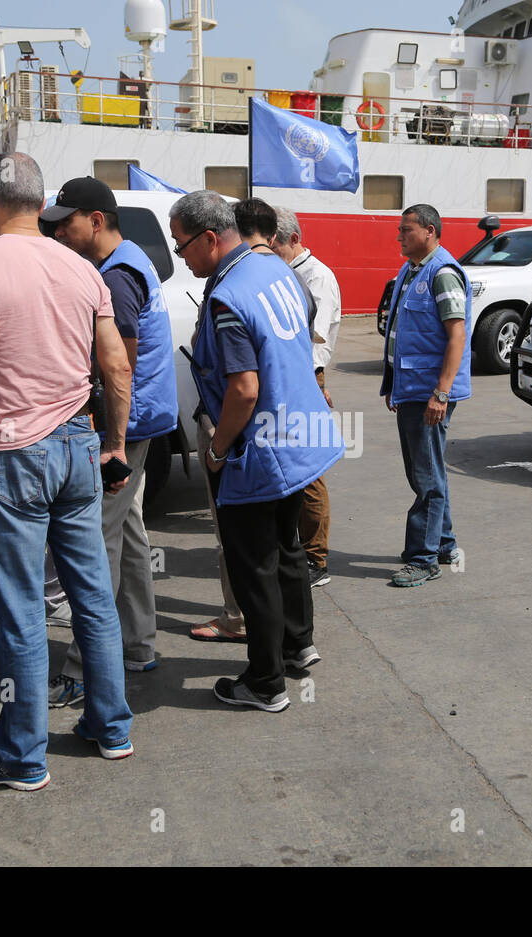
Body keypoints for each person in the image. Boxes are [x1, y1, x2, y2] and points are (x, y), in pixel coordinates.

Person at [0, 152, 135, 790]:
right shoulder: (82, 269)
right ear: (40, 200)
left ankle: (23, 757)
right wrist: (115, 443)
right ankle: (111, 728)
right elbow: (116, 365)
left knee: (21, 610)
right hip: (78, 446)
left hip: (11, 452)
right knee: (92, 595)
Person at [170, 190, 342, 712]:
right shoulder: (276, 271)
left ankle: (265, 683)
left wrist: (217, 449)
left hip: (259, 448)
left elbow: (243, 388)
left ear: (208, 238)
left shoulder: (228, 296)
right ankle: (296, 643)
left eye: (181, 248)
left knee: (253, 566)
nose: (182, 258)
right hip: (299, 438)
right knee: (286, 547)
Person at [39, 176, 177, 699]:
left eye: (65, 224)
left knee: (95, 540)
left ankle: (82, 668)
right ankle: (138, 645)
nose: (58, 235)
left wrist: (109, 440)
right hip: (145, 420)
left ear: (96, 221)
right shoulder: (134, 260)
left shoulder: (116, 278)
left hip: (126, 426)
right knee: (130, 530)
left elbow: (119, 367)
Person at [381, 204, 471, 588]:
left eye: (406, 230)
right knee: (430, 469)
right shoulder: (413, 269)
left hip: (429, 394)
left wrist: (441, 393)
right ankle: (444, 544)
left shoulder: (442, 274)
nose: (399, 236)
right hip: (412, 390)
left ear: (429, 231)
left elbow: (457, 336)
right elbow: (404, 336)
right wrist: (393, 385)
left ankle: (423, 558)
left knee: (425, 476)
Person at [273, 207, 342, 588]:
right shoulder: (288, 274)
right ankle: (300, 548)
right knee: (294, 470)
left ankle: (317, 558)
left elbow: (315, 342)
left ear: (292, 240)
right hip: (292, 381)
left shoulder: (318, 277)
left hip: (306, 379)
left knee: (310, 474)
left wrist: (315, 383)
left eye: (275, 245)